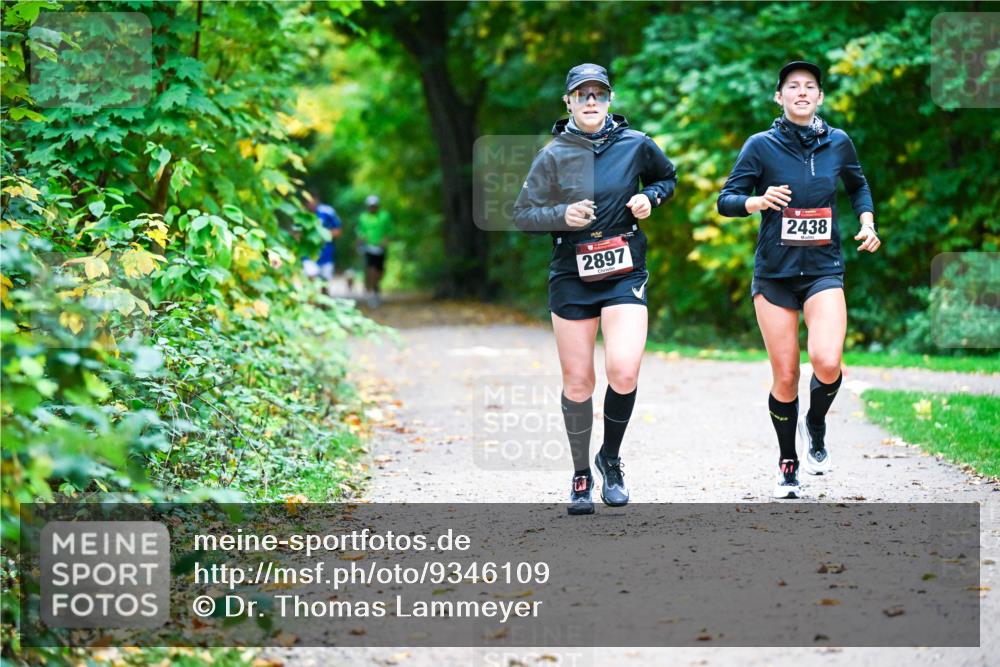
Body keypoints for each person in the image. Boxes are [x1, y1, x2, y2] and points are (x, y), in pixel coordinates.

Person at [514, 63, 677, 515]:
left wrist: (651, 198)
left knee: (623, 371)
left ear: (609, 100)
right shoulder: (552, 154)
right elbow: (523, 213)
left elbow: (667, 178)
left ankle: (611, 457)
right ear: (567, 101)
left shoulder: (636, 144)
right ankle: (582, 471)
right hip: (572, 275)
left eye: (598, 94)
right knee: (580, 382)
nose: (590, 101)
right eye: (581, 94)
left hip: (624, 269)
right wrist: (560, 216)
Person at [717, 61, 881, 499]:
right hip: (775, 275)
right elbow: (726, 200)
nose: (802, 92)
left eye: (810, 86)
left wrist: (867, 222)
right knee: (786, 374)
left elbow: (857, 186)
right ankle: (788, 461)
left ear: (820, 97)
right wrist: (757, 201)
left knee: (828, 362)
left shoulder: (838, 143)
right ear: (780, 97)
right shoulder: (760, 146)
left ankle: (817, 422)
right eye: (793, 87)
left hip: (824, 270)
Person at [302, 191, 342, 296]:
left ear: (317, 200)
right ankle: (312, 307)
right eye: (307, 202)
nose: (310, 204)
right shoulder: (302, 214)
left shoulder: (327, 212)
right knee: (311, 280)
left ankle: (324, 307)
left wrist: (323, 235)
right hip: (308, 254)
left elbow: (338, 230)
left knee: (324, 284)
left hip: (326, 253)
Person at [357, 194, 391, 307]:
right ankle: (371, 292)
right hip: (368, 247)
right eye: (371, 206)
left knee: (380, 271)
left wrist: (385, 241)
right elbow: (360, 232)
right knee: (370, 269)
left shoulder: (385, 216)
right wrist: (360, 242)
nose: (372, 208)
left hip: (380, 248)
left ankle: (375, 287)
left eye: (374, 206)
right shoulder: (363, 217)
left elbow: (389, 231)